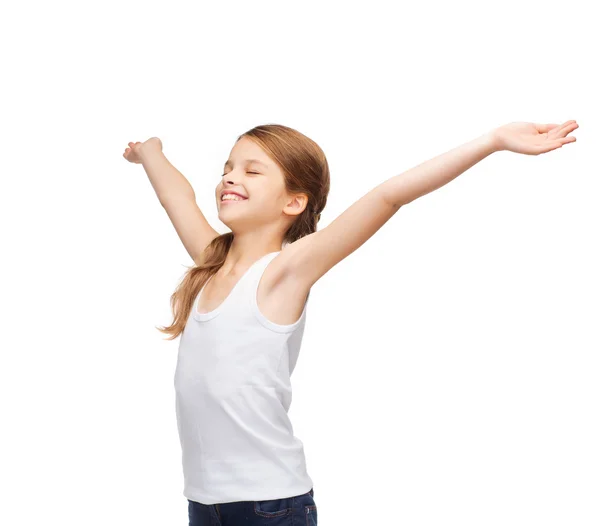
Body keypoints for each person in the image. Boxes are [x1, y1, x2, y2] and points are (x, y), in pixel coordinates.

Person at [123, 120, 578, 525]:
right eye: (227, 166)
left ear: (294, 202)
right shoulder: (210, 264)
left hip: (268, 505)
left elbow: (388, 196)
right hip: (204, 502)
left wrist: (493, 141)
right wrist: (151, 152)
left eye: (252, 170)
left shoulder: (285, 272)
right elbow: (174, 196)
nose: (229, 176)